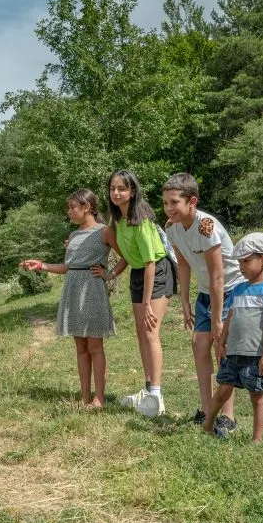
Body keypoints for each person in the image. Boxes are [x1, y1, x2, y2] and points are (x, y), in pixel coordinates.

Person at [162, 173, 246, 432]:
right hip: (205, 294)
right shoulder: (171, 228)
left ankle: (228, 417)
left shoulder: (205, 226)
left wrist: (218, 319)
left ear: (192, 201)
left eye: (174, 202)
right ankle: (206, 408)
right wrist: (184, 300)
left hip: (230, 290)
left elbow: (218, 276)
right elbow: (184, 264)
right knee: (199, 345)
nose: (168, 208)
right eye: (165, 203)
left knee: (222, 348)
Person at [21, 189, 116, 409]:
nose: (69, 212)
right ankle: (84, 396)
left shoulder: (104, 232)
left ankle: (99, 398)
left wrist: (109, 274)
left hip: (92, 289)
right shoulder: (73, 236)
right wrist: (41, 266)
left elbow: (126, 256)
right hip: (72, 291)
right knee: (80, 346)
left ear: (87, 207)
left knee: (94, 346)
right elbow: (66, 267)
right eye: (69, 207)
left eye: (73, 207)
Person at [93, 170, 176, 418]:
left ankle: (157, 397)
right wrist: (109, 274)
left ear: (132, 191)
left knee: (151, 330)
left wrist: (149, 304)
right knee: (141, 332)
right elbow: (127, 257)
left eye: (122, 189)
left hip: (157, 271)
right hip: (139, 273)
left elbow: (150, 262)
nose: (116, 193)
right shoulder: (116, 220)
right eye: (112, 189)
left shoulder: (141, 221)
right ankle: (148, 388)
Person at [203, 232, 263, 442]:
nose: (241, 266)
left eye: (247, 261)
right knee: (222, 392)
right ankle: (207, 427)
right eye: (239, 262)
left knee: (256, 397)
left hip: (255, 357)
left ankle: (257, 440)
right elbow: (229, 319)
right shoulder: (238, 290)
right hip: (233, 355)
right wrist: (220, 344)